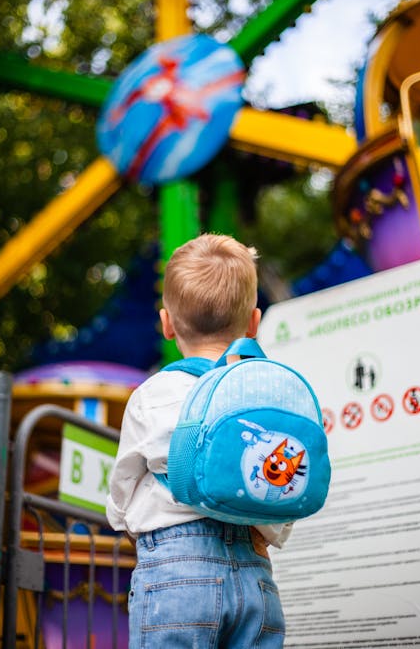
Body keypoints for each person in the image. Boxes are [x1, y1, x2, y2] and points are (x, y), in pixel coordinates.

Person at [106, 233, 292, 648]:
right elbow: (281, 478)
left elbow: (125, 481)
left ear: (167, 324)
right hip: (254, 573)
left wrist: (125, 523)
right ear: (253, 323)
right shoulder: (263, 396)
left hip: (176, 571)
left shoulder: (153, 394)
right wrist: (268, 534)